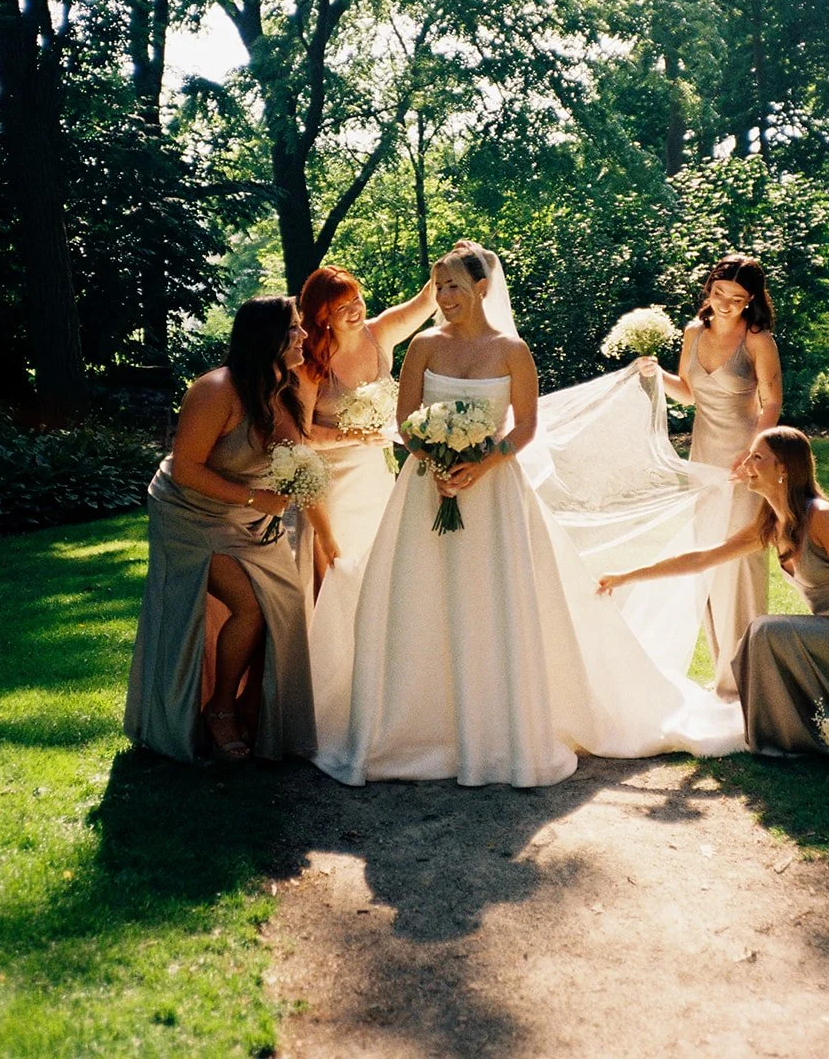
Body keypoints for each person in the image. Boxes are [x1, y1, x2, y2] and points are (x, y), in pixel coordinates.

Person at [312, 245, 747, 788]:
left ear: (482, 288)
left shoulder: (512, 351)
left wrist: (479, 464)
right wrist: (437, 457)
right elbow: (406, 421)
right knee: (420, 596)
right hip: (426, 490)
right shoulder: (422, 347)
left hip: (495, 493)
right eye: (439, 287)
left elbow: (524, 428)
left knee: (492, 598)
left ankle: (500, 724)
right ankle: (411, 724)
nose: (445, 297)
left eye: (454, 286)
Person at [598, 426, 829, 758]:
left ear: (783, 468)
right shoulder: (773, 524)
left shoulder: (822, 518)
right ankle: (785, 729)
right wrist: (626, 577)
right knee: (764, 634)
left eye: (757, 457)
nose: (747, 463)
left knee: (765, 630)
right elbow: (702, 559)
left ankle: (790, 735)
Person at [124, 297, 316, 764]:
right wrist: (257, 499)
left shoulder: (284, 388)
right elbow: (187, 469)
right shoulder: (215, 390)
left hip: (246, 517)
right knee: (249, 607)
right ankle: (220, 710)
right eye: (294, 328)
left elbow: (295, 455)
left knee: (285, 603)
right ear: (266, 337)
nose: (305, 336)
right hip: (189, 515)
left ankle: (258, 706)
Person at [639, 255, 782, 702]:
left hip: (745, 463)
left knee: (739, 564)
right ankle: (725, 678)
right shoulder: (693, 333)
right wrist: (656, 375)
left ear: (751, 301)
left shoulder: (758, 341)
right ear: (709, 288)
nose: (725, 304)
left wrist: (754, 454)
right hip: (703, 462)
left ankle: (748, 675)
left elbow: (773, 403)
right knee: (707, 564)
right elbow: (688, 391)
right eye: (719, 293)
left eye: (737, 299)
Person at [294, 264, 435, 598]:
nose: (354, 310)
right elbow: (299, 434)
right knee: (341, 573)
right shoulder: (311, 359)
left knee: (381, 570)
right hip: (332, 485)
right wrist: (352, 437)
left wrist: (445, 267)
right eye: (341, 307)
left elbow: (428, 301)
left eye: (355, 299)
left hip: (379, 478)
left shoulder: (380, 332)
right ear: (321, 316)